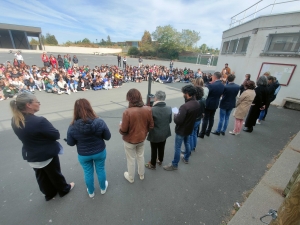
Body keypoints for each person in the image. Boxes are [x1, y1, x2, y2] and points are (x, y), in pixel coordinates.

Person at [10, 92, 74, 201]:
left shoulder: (15, 120)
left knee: (41, 175)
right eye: (37, 102)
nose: (39, 103)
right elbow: (55, 135)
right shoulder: (39, 121)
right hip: (46, 153)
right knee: (54, 173)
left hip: (30, 154)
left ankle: (49, 193)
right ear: (28, 105)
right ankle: (64, 189)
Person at [67, 99, 111, 198]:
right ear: (89, 108)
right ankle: (103, 188)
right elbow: (107, 137)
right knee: (100, 169)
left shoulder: (72, 126)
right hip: (99, 151)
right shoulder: (99, 121)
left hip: (83, 154)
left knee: (87, 172)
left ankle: (91, 192)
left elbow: (70, 143)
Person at [119, 89, 154, 183]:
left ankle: (131, 177)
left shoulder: (127, 112)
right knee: (140, 156)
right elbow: (151, 126)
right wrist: (144, 131)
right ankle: (141, 174)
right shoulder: (147, 109)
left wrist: (120, 127)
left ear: (129, 98)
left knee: (130, 159)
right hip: (141, 138)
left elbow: (123, 130)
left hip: (130, 140)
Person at [163, 85, 200, 171]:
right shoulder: (197, 103)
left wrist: (176, 114)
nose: (183, 95)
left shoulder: (185, 106)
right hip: (189, 128)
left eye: (184, 93)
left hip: (181, 129)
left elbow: (178, 121)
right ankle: (186, 158)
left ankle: (174, 164)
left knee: (178, 147)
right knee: (187, 142)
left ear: (187, 94)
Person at [145, 91, 172, 170]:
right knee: (162, 146)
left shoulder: (151, 109)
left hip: (155, 133)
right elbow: (170, 121)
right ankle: (160, 160)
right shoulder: (169, 108)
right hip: (165, 131)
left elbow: (149, 123)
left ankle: (153, 164)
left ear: (156, 98)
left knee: (154, 148)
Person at [199, 72, 225, 138]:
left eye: (212, 76)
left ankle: (202, 133)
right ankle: (208, 132)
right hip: (216, 103)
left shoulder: (211, 85)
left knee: (205, 119)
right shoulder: (222, 85)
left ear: (215, 77)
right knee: (211, 118)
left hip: (208, 103)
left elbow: (205, 95)